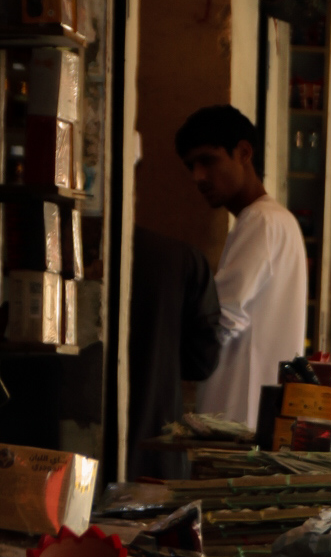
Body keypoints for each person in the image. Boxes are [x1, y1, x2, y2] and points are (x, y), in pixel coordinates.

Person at [176, 105, 307, 429]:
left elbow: (221, 319)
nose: (197, 177)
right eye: (191, 166)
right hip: (252, 418)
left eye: (208, 160)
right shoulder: (275, 220)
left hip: (236, 418)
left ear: (244, 152)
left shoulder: (261, 221)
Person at [127, 228, 222, 479]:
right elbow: (202, 361)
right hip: (151, 452)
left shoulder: (61, 246)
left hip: (60, 452)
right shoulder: (182, 259)